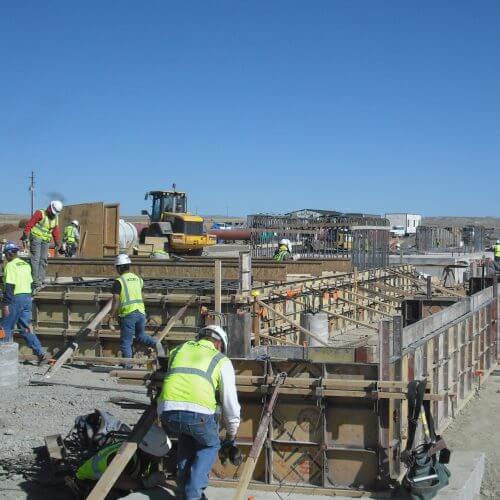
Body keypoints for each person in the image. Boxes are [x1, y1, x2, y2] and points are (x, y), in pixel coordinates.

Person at [159, 324, 241, 500]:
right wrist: (232, 433)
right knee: (210, 444)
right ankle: (193, 494)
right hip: (198, 415)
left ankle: (183, 485)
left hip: (168, 412)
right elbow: (230, 402)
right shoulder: (221, 360)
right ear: (219, 344)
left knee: (187, 437)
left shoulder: (178, 350)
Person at [73, 425, 171, 495]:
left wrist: (155, 476)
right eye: (158, 455)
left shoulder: (141, 452)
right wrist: (145, 483)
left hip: (110, 482)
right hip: (88, 482)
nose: (160, 457)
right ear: (147, 451)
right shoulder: (125, 457)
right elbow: (119, 482)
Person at [0, 241, 50, 364]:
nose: (5, 257)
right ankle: (41, 353)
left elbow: (10, 286)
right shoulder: (26, 264)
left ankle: (3, 357)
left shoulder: (10, 266)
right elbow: (31, 283)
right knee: (25, 328)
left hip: (14, 299)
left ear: (9, 253)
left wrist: (5, 304)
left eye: (5, 254)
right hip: (27, 299)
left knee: (4, 327)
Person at [109, 254, 158, 365]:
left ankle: (128, 367)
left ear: (120, 267)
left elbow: (116, 301)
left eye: (117, 267)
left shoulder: (119, 281)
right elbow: (142, 296)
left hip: (128, 314)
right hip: (141, 313)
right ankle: (156, 344)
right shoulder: (138, 279)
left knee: (126, 342)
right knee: (140, 336)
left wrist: (111, 316)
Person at [21, 200, 64, 288]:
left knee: (43, 259)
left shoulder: (55, 218)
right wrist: (25, 235)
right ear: (49, 207)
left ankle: (40, 279)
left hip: (46, 240)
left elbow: (55, 231)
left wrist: (58, 243)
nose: (52, 214)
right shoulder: (40, 213)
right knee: (36, 259)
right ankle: (35, 280)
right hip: (36, 238)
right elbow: (30, 224)